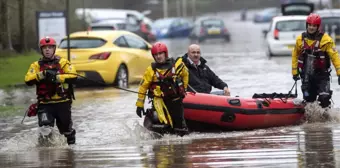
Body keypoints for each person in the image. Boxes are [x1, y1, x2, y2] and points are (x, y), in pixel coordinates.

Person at [24, 36, 77, 145]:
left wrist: (57, 77)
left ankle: (71, 154)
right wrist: (42, 75)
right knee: (45, 130)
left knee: (67, 132)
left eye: (50, 47)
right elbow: (28, 79)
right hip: (45, 104)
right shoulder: (36, 65)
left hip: (63, 103)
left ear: (54, 49)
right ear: (41, 50)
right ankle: (46, 155)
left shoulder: (63, 62)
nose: (47, 50)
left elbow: (73, 76)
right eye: (45, 48)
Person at [135, 42, 189, 135]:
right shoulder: (151, 70)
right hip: (159, 102)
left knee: (180, 127)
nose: (158, 57)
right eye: (156, 55)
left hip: (175, 100)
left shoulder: (176, 66)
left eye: (160, 54)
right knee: (161, 123)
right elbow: (143, 87)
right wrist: (140, 105)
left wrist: (183, 88)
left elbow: (185, 74)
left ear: (165, 54)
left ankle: (180, 144)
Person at [292, 13, 340, 109]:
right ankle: (312, 120)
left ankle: (326, 119)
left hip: (322, 76)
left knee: (324, 98)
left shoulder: (326, 40)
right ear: (307, 25)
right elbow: (295, 55)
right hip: (306, 76)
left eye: (314, 25)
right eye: (309, 25)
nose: (311, 27)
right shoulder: (300, 39)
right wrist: (294, 72)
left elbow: (335, 57)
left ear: (318, 26)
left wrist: (339, 73)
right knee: (309, 100)